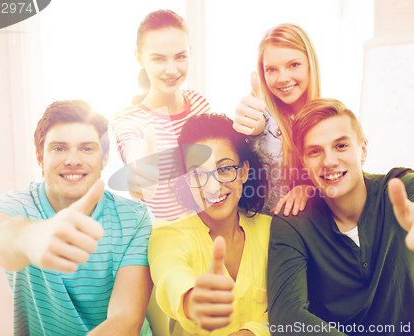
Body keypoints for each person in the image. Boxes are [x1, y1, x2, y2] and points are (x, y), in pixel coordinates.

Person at [267, 98, 414, 335]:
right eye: (315, 152)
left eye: (341, 146)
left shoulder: (397, 187)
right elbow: (287, 318)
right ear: (304, 162)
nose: (329, 161)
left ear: (362, 149)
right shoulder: (291, 223)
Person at [0, 100, 154, 336]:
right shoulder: (13, 206)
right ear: (40, 157)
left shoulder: (135, 219)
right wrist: (30, 236)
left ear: (104, 158)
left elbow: (125, 321)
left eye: (87, 148)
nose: (73, 160)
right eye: (59, 148)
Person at [148, 113, 271, 335]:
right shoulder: (167, 234)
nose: (213, 187)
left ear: (243, 172)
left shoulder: (272, 232)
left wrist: (253, 332)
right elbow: (169, 272)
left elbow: (287, 307)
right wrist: (192, 299)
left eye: (224, 169)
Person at [112, 9, 210, 222]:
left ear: (190, 52)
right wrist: (141, 169)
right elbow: (131, 146)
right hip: (162, 240)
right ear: (139, 58)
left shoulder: (199, 104)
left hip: (209, 233)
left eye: (180, 56)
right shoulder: (129, 118)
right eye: (158, 59)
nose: (171, 69)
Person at [233, 23, 321, 217]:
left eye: (294, 65)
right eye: (271, 69)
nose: (282, 78)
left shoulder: (329, 117)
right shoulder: (262, 115)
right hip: (258, 231)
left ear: (310, 64)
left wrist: (310, 189)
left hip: (309, 234)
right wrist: (249, 124)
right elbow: (258, 126)